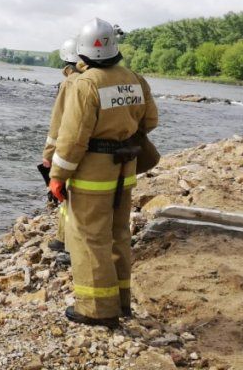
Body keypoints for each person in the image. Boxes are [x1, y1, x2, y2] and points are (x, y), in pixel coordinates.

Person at [48, 17, 158, 328]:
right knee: (119, 234)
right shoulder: (136, 79)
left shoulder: (85, 84)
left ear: (82, 53)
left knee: (89, 238)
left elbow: (72, 139)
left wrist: (57, 177)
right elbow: (150, 122)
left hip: (92, 175)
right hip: (126, 170)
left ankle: (98, 310)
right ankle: (121, 302)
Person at [42, 37, 81, 253]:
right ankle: (63, 238)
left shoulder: (69, 82)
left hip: (71, 151)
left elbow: (58, 124)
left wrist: (48, 155)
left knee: (68, 196)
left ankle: (66, 242)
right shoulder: (98, 79)